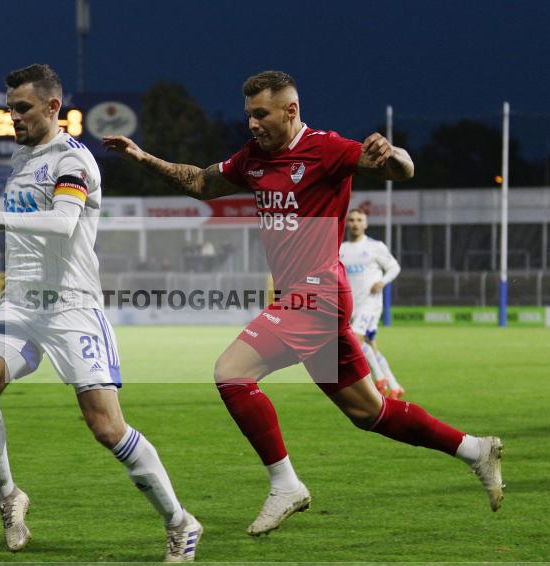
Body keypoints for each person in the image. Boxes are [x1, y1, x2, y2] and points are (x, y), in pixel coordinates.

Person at [104, 70, 504, 537]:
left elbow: (403, 170)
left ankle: (285, 484)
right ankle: (477, 450)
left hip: (319, 292)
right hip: (304, 298)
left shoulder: (327, 148)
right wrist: (142, 156)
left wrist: (392, 154)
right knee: (370, 413)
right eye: (248, 115)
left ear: (290, 110)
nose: (252, 124)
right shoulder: (253, 158)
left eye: (261, 114)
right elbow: (201, 182)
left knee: (231, 372)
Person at [0, 64, 202, 562]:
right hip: (19, 305)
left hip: (73, 309)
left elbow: (63, 224)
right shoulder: (22, 158)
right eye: (10, 108)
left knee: (106, 427)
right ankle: (9, 497)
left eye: (22, 108)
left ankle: (180, 521)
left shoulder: (73, 160)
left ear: (52, 107)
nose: (13, 117)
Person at [340, 208, 404, 398]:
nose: (355, 223)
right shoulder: (341, 249)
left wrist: (382, 282)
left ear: (365, 224)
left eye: (359, 220)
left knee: (356, 341)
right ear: (347, 223)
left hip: (370, 305)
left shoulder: (375, 246)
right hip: (351, 306)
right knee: (370, 346)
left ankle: (379, 379)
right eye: (351, 220)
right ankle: (394, 385)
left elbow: (394, 267)